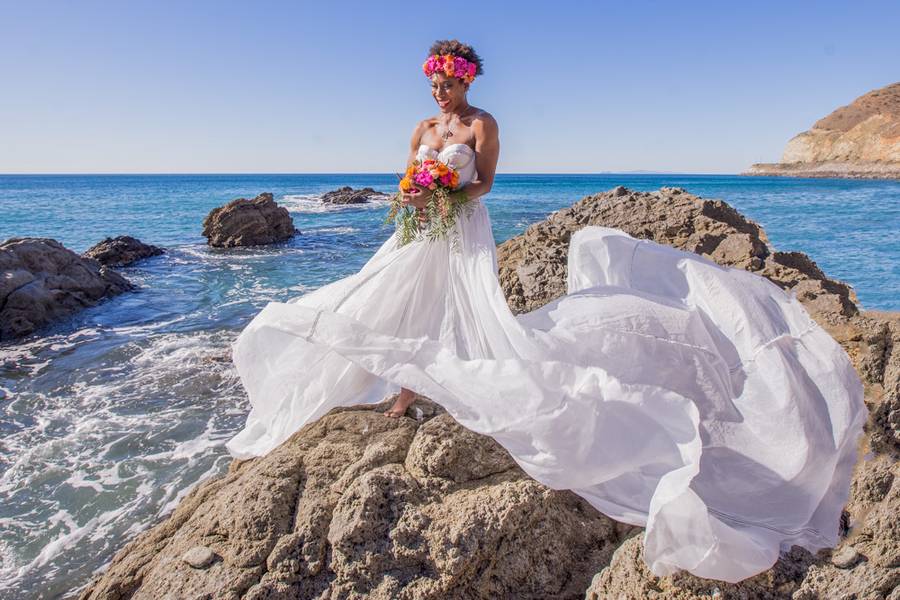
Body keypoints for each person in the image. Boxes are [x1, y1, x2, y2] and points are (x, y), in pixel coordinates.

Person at [225, 39, 867, 584]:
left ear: (464, 81)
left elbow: (485, 184)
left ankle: (422, 384)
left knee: (455, 303)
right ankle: (399, 384)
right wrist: (416, 186)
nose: (439, 96)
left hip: (461, 226)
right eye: (434, 86)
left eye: (447, 84)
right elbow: (401, 177)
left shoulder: (482, 126)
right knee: (392, 294)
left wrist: (448, 185)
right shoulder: (422, 131)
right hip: (418, 228)